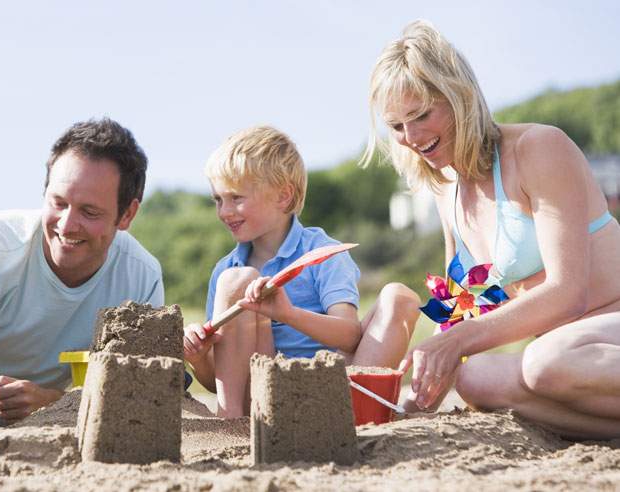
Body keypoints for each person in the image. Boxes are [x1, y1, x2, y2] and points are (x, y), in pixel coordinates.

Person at [363, 20, 620, 439]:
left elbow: (569, 293)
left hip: (602, 327)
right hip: (569, 353)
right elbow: (461, 307)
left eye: (422, 114)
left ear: (459, 96)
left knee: (543, 362)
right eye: (396, 126)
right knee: (476, 379)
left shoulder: (538, 149)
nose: (411, 136)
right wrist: (421, 387)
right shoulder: (447, 191)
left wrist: (460, 340)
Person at [0, 117, 164, 429]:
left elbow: (134, 398)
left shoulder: (141, 277)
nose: (67, 226)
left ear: (127, 214)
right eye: (58, 203)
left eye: (90, 212)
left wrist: (53, 403)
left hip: (56, 424)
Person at [183, 125, 421, 418]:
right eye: (218, 200)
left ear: (283, 197)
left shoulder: (321, 253)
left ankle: (358, 413)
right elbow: (213, 381)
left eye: (236, 198)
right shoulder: (226, 271)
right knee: (238, 279)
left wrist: (287, 314)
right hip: (261, 400)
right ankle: (230, 423)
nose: (224, 211)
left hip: (326, 390)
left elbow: (349, 335)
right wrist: (198, 358)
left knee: (400, 296)